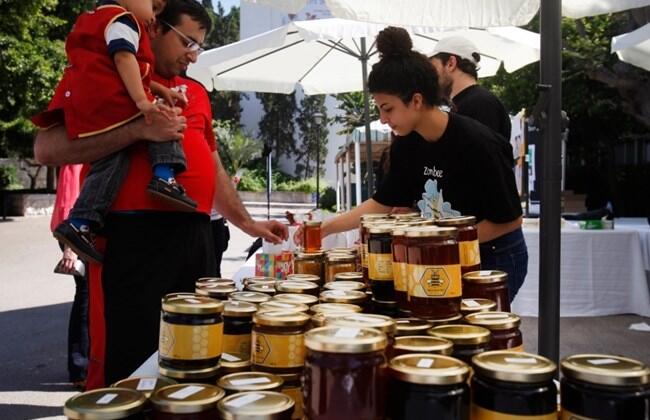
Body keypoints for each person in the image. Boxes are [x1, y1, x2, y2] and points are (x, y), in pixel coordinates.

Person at [34, 0, 287, 389]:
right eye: (187, 41)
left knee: (195, 355)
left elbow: (214, 168)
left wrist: (247, 222)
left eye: (199, 46)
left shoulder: (196, 93)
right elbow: (46, 149)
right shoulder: (106, 78)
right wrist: (138, 129)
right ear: (154, 30)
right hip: (132, 237)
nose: (193, 54)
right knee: (132, 363)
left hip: (195, 237)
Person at [295, 27, 527, 302]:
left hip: (495, 256)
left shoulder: (478, 143)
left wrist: (436, 242)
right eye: (379, 109)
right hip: (443, 254)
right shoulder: (407, 143)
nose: (382, 119)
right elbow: (383, 201)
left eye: (388, 108)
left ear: (416, 100)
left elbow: (510, 220)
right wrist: (326, 228)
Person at [33, 0, 197, 265]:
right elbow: (123, 57)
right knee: (163, 118)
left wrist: (157, 89)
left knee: (111, 160)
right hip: (109, 105)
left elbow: (119, 66)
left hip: (95, 105)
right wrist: (146, 102)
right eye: (153, 9)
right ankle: (165, 176)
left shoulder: (101, 20)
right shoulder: (123, 20)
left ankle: (80, 222)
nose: (152, 20)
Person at [429, 36, 512, 143]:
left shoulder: (480, 103)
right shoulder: (474, 101)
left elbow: (482, 156)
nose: (432, 74)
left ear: (451, 63)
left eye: (434, 66)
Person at [50, 164, 89, 390]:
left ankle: (84, 365)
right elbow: (70, 198)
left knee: (88, 298)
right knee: (85, 300)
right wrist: (71, 248)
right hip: (75, 234)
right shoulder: (75, 158)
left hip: (79, 232)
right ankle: (80, 367)